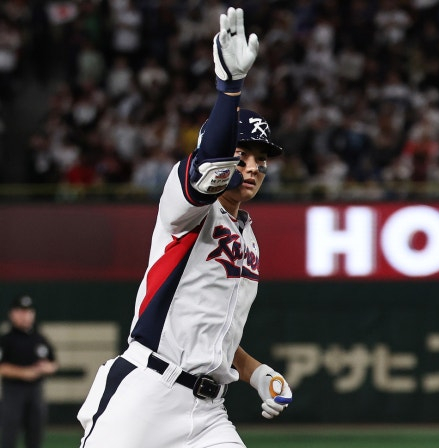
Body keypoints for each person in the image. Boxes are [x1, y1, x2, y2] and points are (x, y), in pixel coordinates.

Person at [77, 8, 293, 448]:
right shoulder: (189, 208)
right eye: (243, 156)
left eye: (261, 161)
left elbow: (211, 332)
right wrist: (229, 89)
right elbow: (211, 164)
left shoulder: (247, 236)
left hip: (209, 412)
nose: (253, 167)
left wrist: (256, 373)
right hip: (147, 394)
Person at [0, 295, 58, 448]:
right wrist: (24, 373)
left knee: (35, 435)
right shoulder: (6, 340)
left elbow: (53, 363)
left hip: (35, 392)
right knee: (9, 436)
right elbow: (2, 367)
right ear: (12, 314)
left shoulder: (39, 339)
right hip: (13, 392)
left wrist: (46, 368)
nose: (24, 315)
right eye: (20, 311)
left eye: (28, 311)